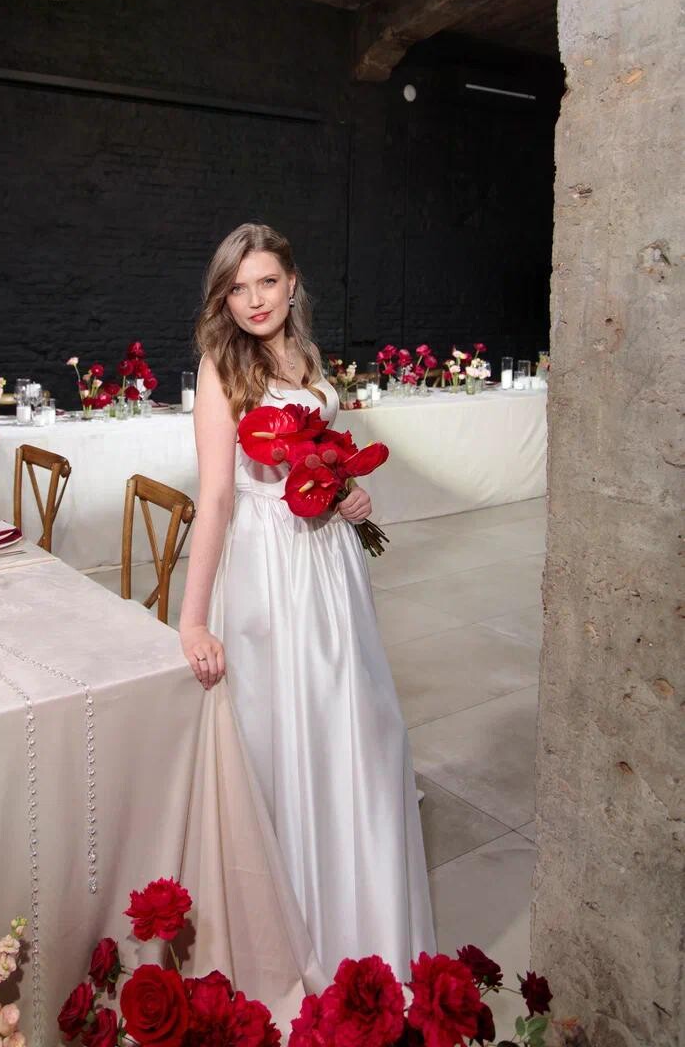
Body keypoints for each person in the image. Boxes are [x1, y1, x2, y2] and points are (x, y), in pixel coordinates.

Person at [178, 222, 435, 983]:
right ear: (224, 299)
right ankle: (294, 932)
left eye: (266, 282)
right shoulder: (220, 367)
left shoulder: (308, 357)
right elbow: (217, 498)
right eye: (238, 288)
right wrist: (192, 619)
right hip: (269, 569)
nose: (254, 300)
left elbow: (318, 456)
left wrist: (347, 491)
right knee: (283, 731)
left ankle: (365, 922)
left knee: (356, 724)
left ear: (292, 284)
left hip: (329, 563)